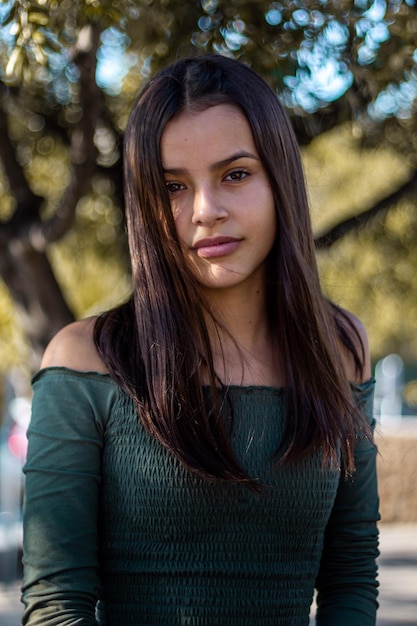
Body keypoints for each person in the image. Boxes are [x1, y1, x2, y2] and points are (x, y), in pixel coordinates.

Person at [21, 54, 380, 626]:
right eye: (172, 187)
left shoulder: (339, 350)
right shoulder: (84, 359)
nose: (205, 211)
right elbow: (55, 605)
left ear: (279, 178)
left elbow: (352, 581)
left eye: (235, 174)